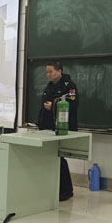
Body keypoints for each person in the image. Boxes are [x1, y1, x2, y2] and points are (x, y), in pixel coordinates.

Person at [37, 61, 78, 201]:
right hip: (48, 128)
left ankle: (66, 190)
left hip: (63, 129)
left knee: (59, 158)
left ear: (59, 71)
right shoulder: (49, 87)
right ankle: (56, 188)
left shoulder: (69, 86)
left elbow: (72, 104)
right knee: (53, 158)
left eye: (51, 72)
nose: (48, 75)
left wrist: (53, 105)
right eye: (47, 72)